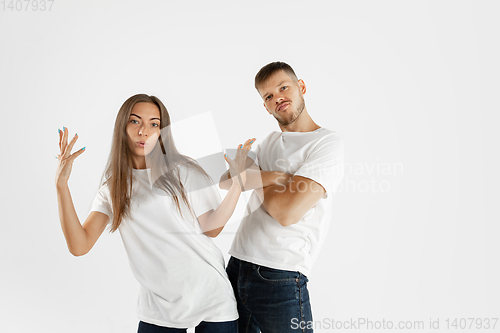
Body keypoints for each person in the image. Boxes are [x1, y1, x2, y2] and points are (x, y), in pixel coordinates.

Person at [55, 93, 254, 332]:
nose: (144, 131)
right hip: (159, 309)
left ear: (162, 132)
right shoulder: (113, 189)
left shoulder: (183, 171)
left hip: (211, 300)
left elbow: (212, 228)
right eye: (135, 121)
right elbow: (80, 246)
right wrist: (61, 185)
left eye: (154, 124)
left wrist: (238, 184)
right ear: (122, 127)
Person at [220, 62, 344, 333]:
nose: (277, 98)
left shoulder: (326, 144)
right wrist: (278, 177)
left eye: (283, 88)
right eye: (268, 96)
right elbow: (228, 180)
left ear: (301, 87)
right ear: (265, 106)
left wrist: (255, 175)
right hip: (237, 266)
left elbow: (286, 212)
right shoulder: (269, 142)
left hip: (280, 275)